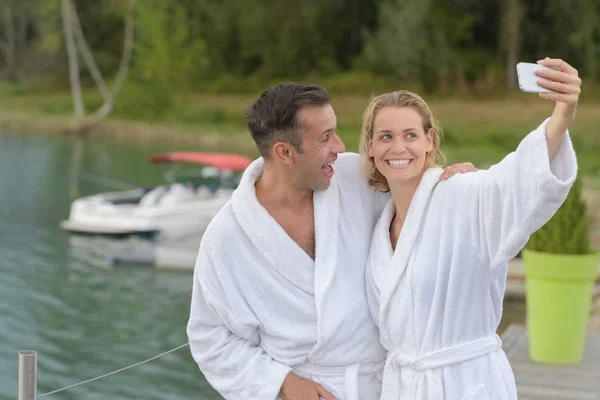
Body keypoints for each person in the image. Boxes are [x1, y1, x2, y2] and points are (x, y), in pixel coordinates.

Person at [186, 83, 474, 400]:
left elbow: (416, 195)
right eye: (325, 138)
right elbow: (209, 336)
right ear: (284, 152)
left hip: (384, 386)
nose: (339, 146)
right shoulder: (228, 237)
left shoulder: (355, 177)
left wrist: (448, 184)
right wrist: (281, 383)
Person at [362, 58, 580, 399]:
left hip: (466, 383)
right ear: (370, 146)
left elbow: (513, 183)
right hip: (403, 386)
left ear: (429, 140)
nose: (398, 147)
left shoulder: (462, 196)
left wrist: (562, 116)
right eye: (385, 136)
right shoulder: (378, 222)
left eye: (410, 135)